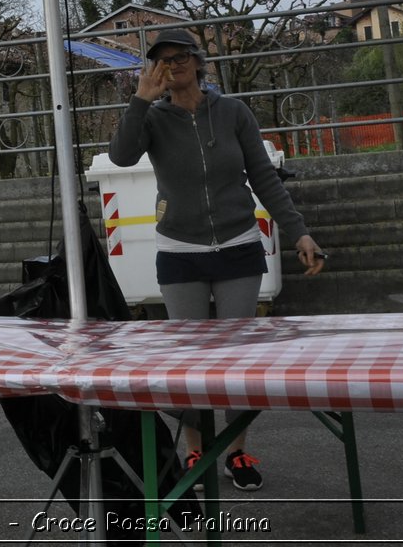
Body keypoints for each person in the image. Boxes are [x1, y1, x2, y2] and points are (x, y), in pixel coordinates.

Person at [108, 27, 324, 492]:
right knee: (187, 363)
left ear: (199, 61)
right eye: (163, 60)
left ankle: (237, 449)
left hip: (239, 246)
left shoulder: (233, 112)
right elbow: (121, 157)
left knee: (236, 362)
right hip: (179, 251)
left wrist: (299, 231)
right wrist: (140, 101)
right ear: (154, 69)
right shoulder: (152, 118)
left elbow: (263, 176)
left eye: (181, 56)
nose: (173, 65)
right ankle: (195, 449)